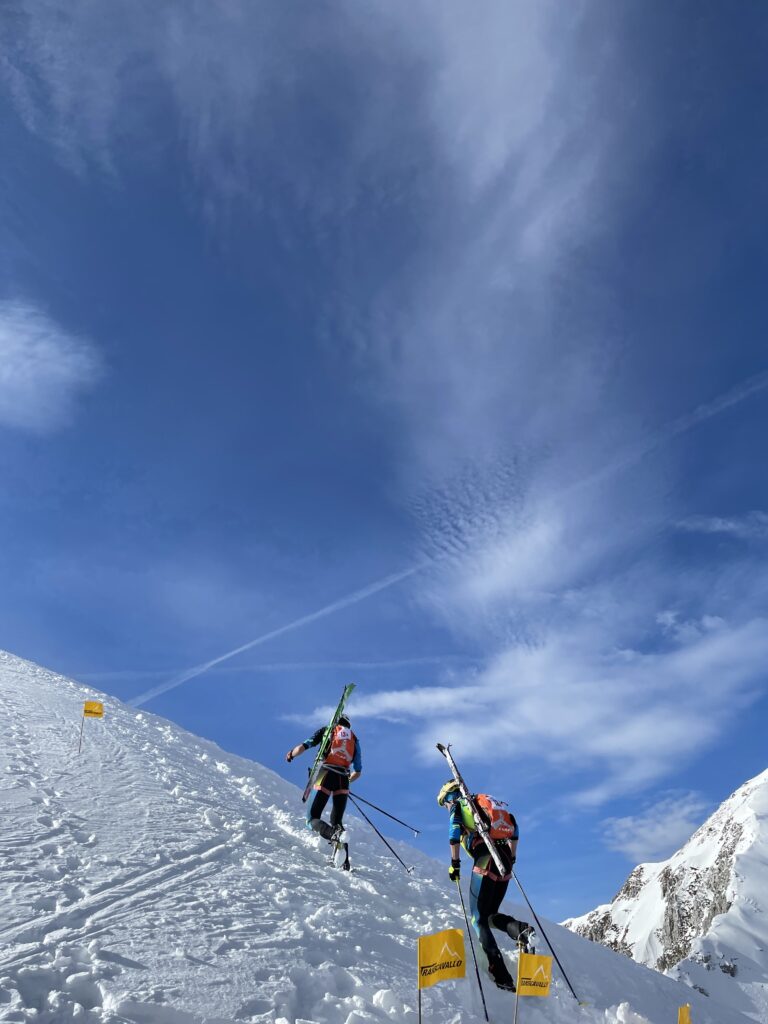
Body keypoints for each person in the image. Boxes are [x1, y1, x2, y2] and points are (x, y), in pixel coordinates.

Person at [437, 780, 532, 992]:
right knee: (489, 915)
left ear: (449, 796)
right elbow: (514, 827)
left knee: (477, 919)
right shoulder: (484, 805)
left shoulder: (459, 805)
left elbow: (454, 834)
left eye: (444, 803)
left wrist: (455, 864)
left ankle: (501, 975)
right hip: (505, 861)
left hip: (485, 859)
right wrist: (512, 857)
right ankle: (519, 929)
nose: (445, 807)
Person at [286, 716, 361, 843]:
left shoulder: (328, 730)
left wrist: (291, 754)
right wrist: (346, 783)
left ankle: (333, 835)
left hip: (324, 773)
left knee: (311, 819)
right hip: (343, 778)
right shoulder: (354, 739)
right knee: (337, 822)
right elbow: (358, 771)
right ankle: (344, 860)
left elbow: (303, 746)